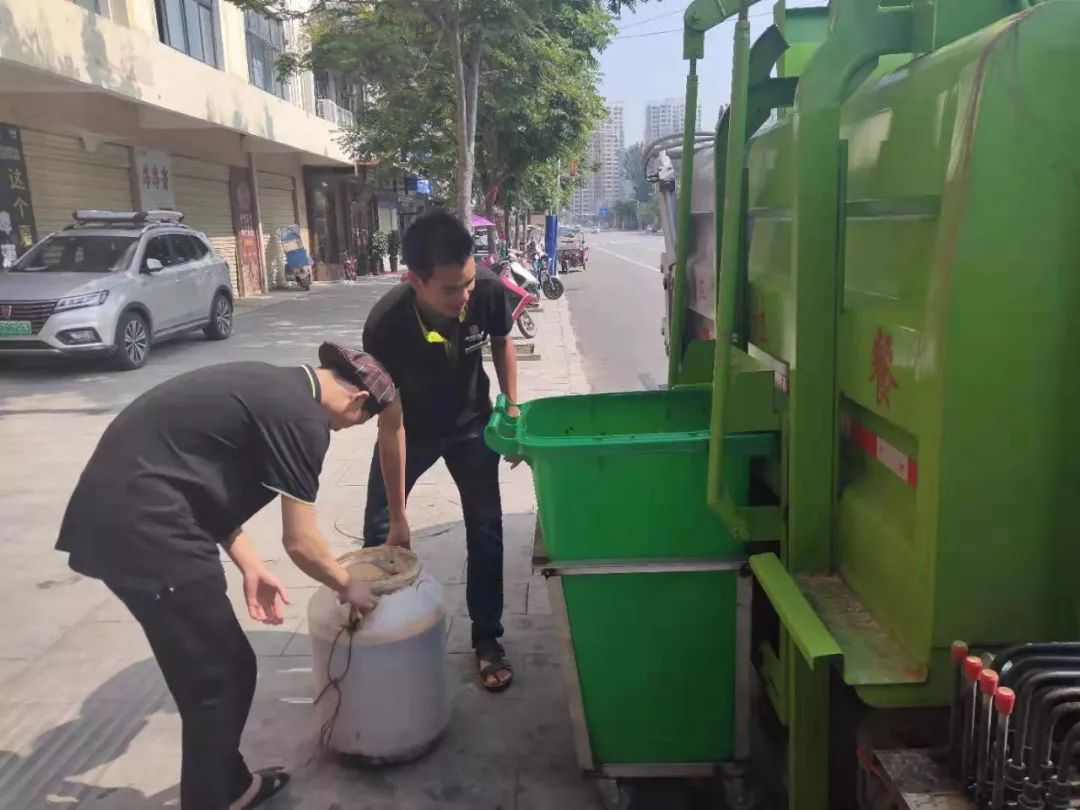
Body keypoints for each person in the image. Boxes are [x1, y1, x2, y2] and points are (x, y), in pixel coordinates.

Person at [55, 344, 407, 810]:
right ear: (358, 399)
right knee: (222, 675)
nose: (343, 429)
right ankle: (210, 799)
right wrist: (347, 584)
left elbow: (197, 476)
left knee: (204, 672)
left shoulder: (272, 386)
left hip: (123, 514)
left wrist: (250, 562)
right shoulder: (305, 421)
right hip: (148, 529)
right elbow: (301, 543)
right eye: (355, 422)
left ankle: (231, 786)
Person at [361, 209, 519, 692]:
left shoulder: (485, 289)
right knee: (380, 533)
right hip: (412, 430)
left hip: (471, 426)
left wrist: (512, 409)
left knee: (486, 531)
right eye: (451, 289)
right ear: (414, 281)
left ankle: (487, 638)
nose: (464, 296)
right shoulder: (385, 328)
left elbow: (502, 342)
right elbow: (390, 424)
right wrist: (400, 514)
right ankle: (379, 637)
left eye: (468, 282)